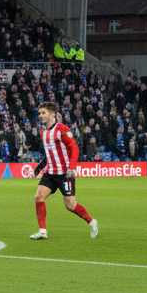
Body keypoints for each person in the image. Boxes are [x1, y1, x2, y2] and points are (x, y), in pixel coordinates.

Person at [28, 102, 97, 240]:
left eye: (44, 113)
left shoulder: (61, 129)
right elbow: (49, 154)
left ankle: (91, 221)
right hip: (50, 173)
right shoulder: (43, 132)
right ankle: (42, 231)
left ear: (52, 114)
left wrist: (72, 168)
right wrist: (38, 169)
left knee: (70, 205)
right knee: (39, 197)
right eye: (40, 113)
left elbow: (75, 148)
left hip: (65, 174)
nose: (41, 116)